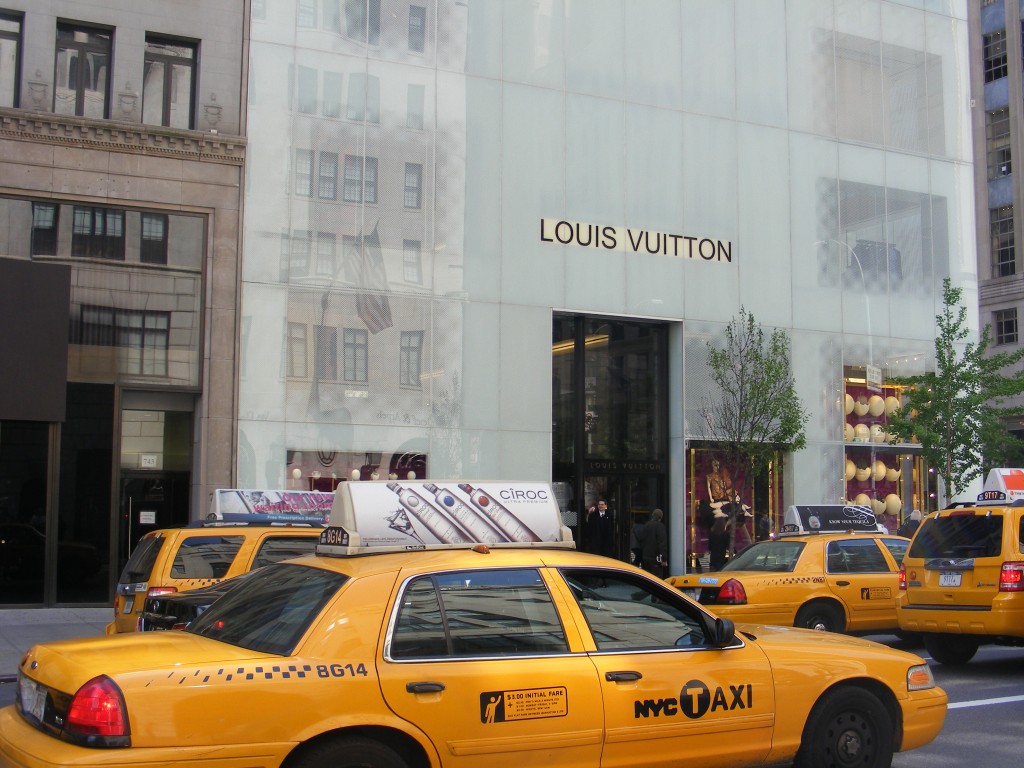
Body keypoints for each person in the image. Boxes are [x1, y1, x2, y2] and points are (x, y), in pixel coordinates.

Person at [639, 508, 668, 577]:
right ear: (660, 517)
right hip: (655, 559)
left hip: (646, 558)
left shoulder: (646, 525)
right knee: (656, 581)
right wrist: (664, 559)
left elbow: (641, 541)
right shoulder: (660, 526)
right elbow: (662, 544)